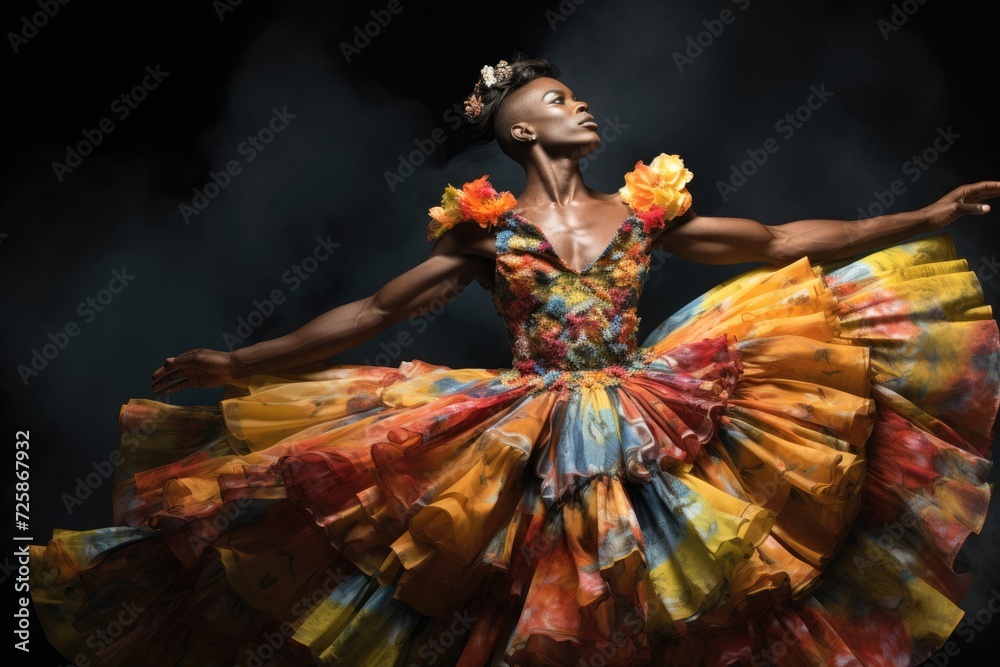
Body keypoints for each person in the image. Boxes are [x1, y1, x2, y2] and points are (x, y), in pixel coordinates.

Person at [29, 52, 1000, 667]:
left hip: (645, 404)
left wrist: (921, 214)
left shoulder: (638, 213)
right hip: (528, 421)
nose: (582, 110)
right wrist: (242, 363)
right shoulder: (486, 237)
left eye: (575, 95)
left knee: (667, 581)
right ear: (524, 128)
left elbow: (776, 235)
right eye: (560, 99)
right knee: (517, 590)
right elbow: (372, 308)